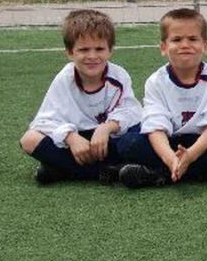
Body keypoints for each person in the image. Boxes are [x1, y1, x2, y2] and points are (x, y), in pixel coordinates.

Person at [116, 9, 207, 188]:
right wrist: (171, 158)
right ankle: (206, 171)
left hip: (203, 142)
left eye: (193, 39)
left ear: (205, 46)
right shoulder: (155, 82)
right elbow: (155, 125)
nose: (185, 45)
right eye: (177, 40)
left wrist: (191, 155)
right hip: (169, 142)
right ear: (163, 47)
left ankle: (156, 174)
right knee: (127, 142)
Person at [19, 10, 141, 185]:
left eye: (99, 49)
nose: (92, 56)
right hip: (78, 141)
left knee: (138, 138)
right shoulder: (64, 79)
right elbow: (43, 122)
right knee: (29, 139)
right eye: (83, 50)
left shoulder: (118, 76)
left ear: (110, 51)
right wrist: (70, 137)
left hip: (109, 141)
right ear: (70, 52)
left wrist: (107, 128)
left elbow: (132, 112)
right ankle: (111, 171)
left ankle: (62, 171)